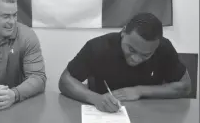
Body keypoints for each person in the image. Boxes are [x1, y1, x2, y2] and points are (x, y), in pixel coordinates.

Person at [59, 13, 191, 113]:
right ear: (123, 32)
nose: (136, 58)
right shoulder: (98, 47)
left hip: (150, 116)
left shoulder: (164, 48)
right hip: (105, 115)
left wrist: (140, 91)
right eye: (131, 50)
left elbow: (185, 86)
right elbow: (65, 80)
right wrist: (95, 99)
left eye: (146, 55)